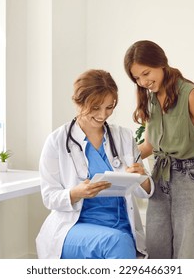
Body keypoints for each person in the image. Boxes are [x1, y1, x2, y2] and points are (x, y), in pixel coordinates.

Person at [36, 69, 154, 259]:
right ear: (78, 102)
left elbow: (144, 192)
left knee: (121, 240)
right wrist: (76, 193)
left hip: (121, 225)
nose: (103, 115)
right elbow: (49, 197)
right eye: (96, 108)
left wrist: (142, 178)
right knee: (116, 242)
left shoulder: (123, 136)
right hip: (75, 227)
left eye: (109, 107)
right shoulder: (57, 141)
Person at [124, 40, 194, 259]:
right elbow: (150, 145)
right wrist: (119, 159)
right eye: (137, 78)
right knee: (157, 253)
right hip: (160, 179)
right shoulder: (151, 99)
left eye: (146, 73)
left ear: (161, 63)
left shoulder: (192, 94)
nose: (143, 82)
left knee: (189, 256)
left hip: (192, 183)